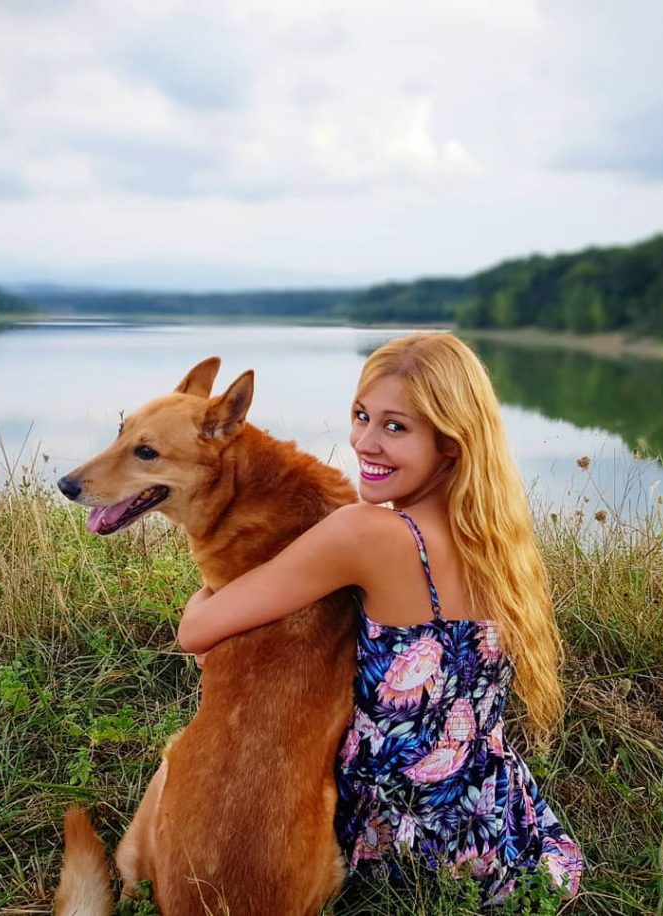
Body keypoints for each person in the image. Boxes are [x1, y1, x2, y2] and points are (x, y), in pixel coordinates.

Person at [177, 332, 583, 906]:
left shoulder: (366, 534)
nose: (365, 443)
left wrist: (209, 594)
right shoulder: (498, 539)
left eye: (396, 427)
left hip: (399, 837)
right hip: (496, 827)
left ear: (450, 443)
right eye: (361, 416)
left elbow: (196, 631)